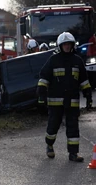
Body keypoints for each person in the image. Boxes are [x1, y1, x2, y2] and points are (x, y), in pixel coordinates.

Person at [37, 32, 92, 162]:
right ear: (60, 46)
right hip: (55, 101)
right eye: (65, 44)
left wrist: (88, 96)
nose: (67, 47)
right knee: (53, 126)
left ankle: (73, 153)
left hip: (72, 101)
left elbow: (84, 81)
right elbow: (43, 78)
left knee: (73, 127)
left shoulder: (77, 61)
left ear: (72, 45)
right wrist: (41, 95)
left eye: (69, 44)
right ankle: (49, 145)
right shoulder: (53, 60)